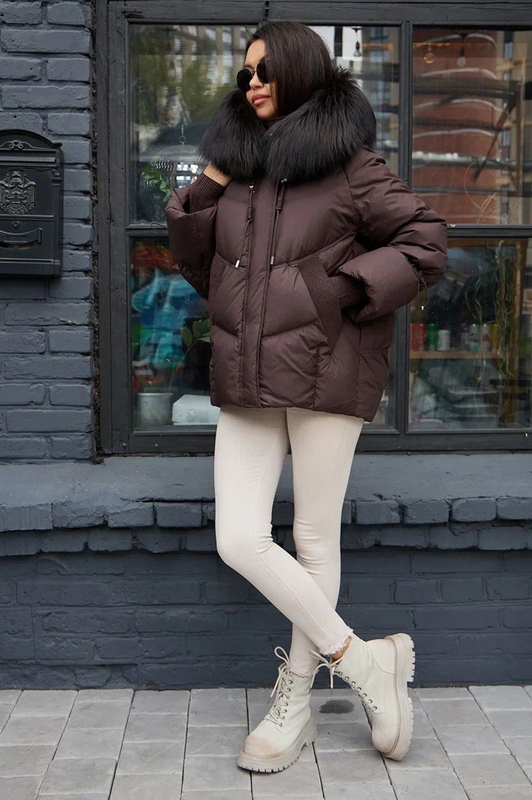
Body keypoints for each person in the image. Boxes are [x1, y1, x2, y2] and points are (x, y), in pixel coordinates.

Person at [166, 20, 448, 773]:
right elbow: (193, 255)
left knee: (315, 539)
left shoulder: (350, 168)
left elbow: (426, 242)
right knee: (239, 539)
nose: (251, 82)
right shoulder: (239, 166)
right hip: (247, 373)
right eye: (245, 73)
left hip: (328, 367)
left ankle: (295, 702)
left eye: (265, 70)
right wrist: (214, 176)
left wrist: (341, 291)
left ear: (297, 71)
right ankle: (364, 663)